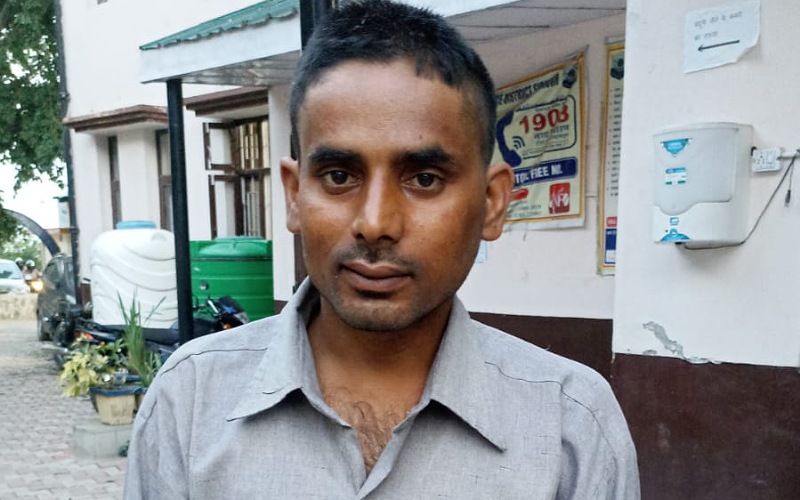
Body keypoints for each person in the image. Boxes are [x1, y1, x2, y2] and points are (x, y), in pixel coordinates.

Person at [124, 1, 639, 498]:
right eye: (339, 176)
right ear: (294, 196)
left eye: (425, 178)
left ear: (491, 203)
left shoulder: (571, 426)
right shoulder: (190, 398)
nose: (374, 223)